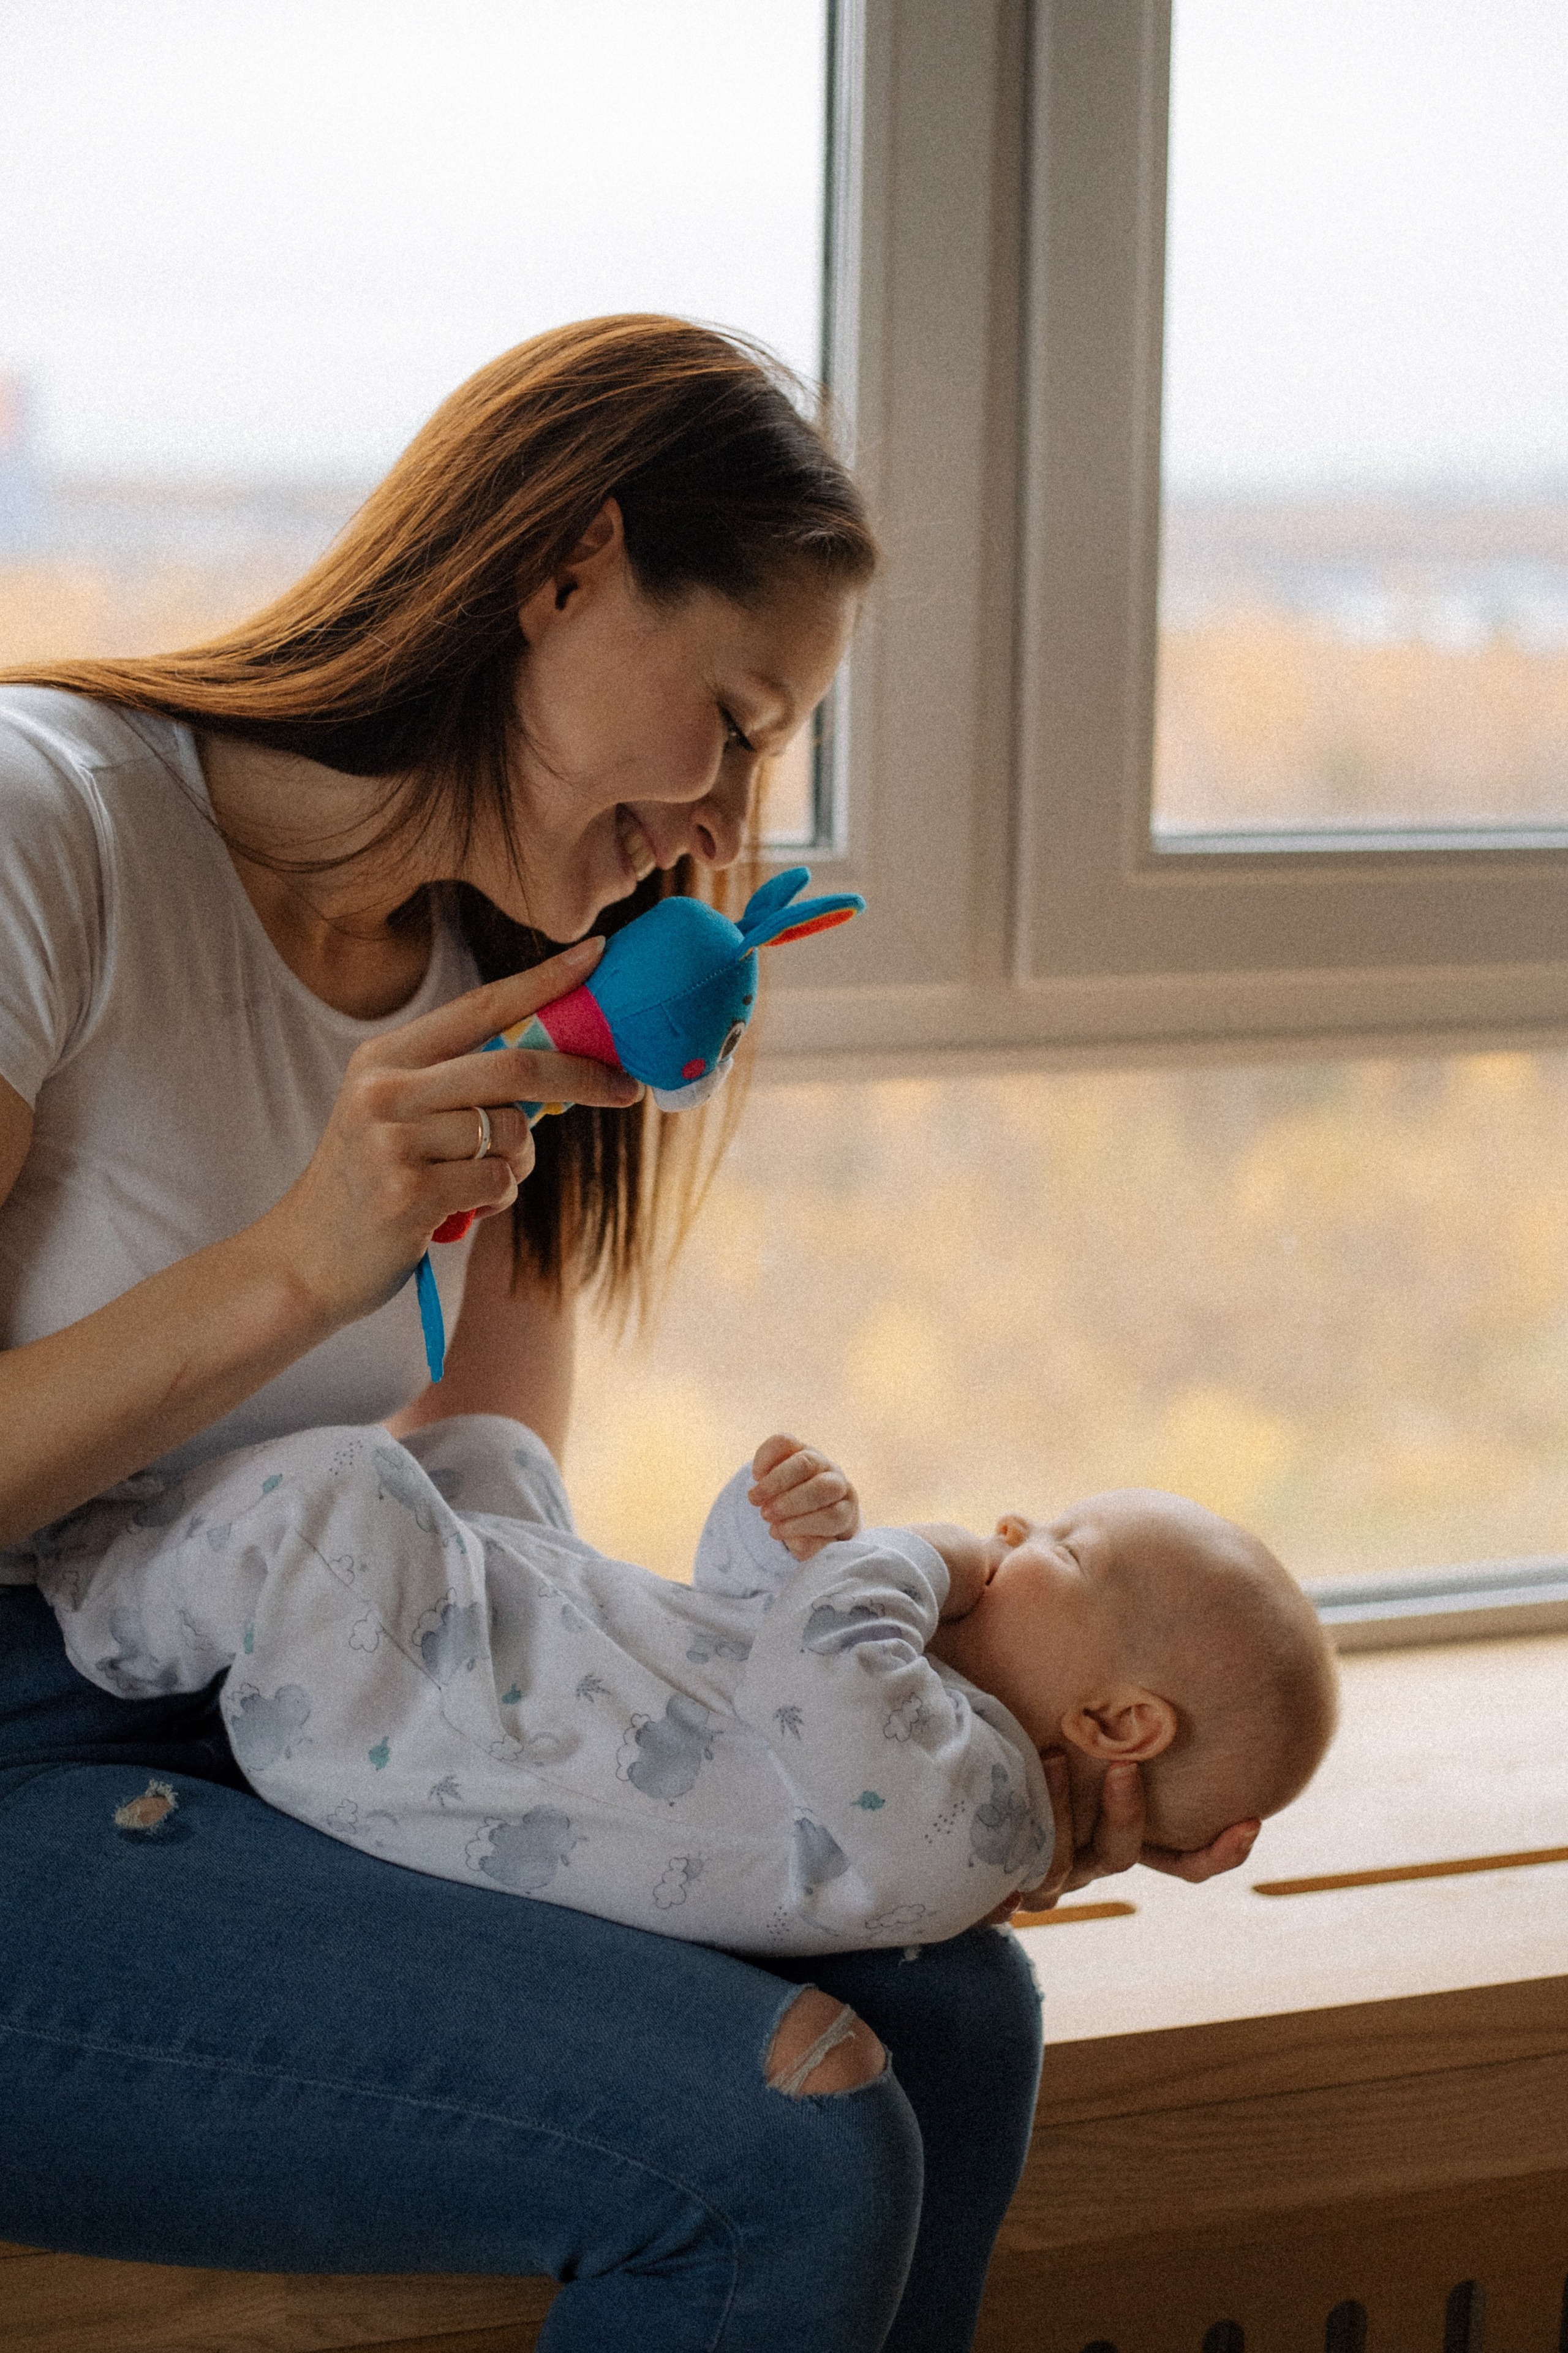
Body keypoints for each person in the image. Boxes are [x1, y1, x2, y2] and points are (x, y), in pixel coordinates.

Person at [0, 315, 1257, 2353]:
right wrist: (298, 1264)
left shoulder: (507, 992)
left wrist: (899, 1757)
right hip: (24, 1773)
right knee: (776, 2147)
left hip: (242, 1740)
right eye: (735, 720)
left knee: (946, 1999)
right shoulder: (44, 832)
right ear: (565, 568)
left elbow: (477, 1561)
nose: (713, 824)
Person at [31, 1425, 1336, 1954]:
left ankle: (102, 1596)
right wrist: (774, 1539)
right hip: (529, 1663)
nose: (1003, 1528)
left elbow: (811, 1658)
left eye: (1058, 1541)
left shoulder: (969, 1818)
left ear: (1115, 1721)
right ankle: (192, 1550)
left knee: (340, 1504)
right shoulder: (925, 1721)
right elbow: (737, 1619)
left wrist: (914, 1551)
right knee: (495, 1451)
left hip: (419, 1737)